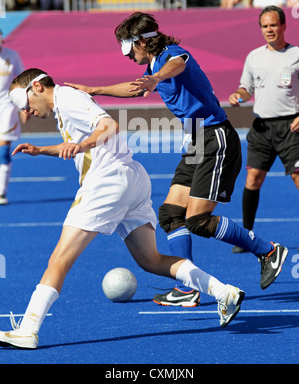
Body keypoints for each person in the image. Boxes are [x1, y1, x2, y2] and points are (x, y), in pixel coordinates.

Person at [0, 68, 245, 350]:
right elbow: (80, 144)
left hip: (106, 183)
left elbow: (109, 126)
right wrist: (42, 150)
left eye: (24, 103)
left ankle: (28, 329)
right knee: (150, 260)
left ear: (37, 88)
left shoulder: (67, 98)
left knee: (59, 259)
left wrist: (84, 144)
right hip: (132, 179)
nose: (26, 111)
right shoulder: (64, 105)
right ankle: (223, 291)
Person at [65, 11, 288, 307]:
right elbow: (134, 88)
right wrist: (93, 90)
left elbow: (177, 64)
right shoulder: (154, 64)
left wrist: (155, 78)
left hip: (215, 137)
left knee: (197, 220)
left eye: (130, 48)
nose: (128, 55)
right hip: (196, 138)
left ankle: (267, 250)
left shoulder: (170, 56)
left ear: (143, 42)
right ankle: (189, 287)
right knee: (171, 214)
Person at [228, 5, 299, 253]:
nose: (269, 29)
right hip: (261, 127)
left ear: (283, 26)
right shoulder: (254, 57)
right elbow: (246, 88)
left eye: (273, 25)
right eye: (265, 26)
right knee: (253, 179)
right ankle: (247, 237)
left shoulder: (296, 55)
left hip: (292, 127)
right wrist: (239, 95)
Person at [0, 28, 25, 205]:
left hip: (6, 106)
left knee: (3, 151)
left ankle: (1, 192)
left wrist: (24, 106)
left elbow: (23, 81)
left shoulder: (12, 55)